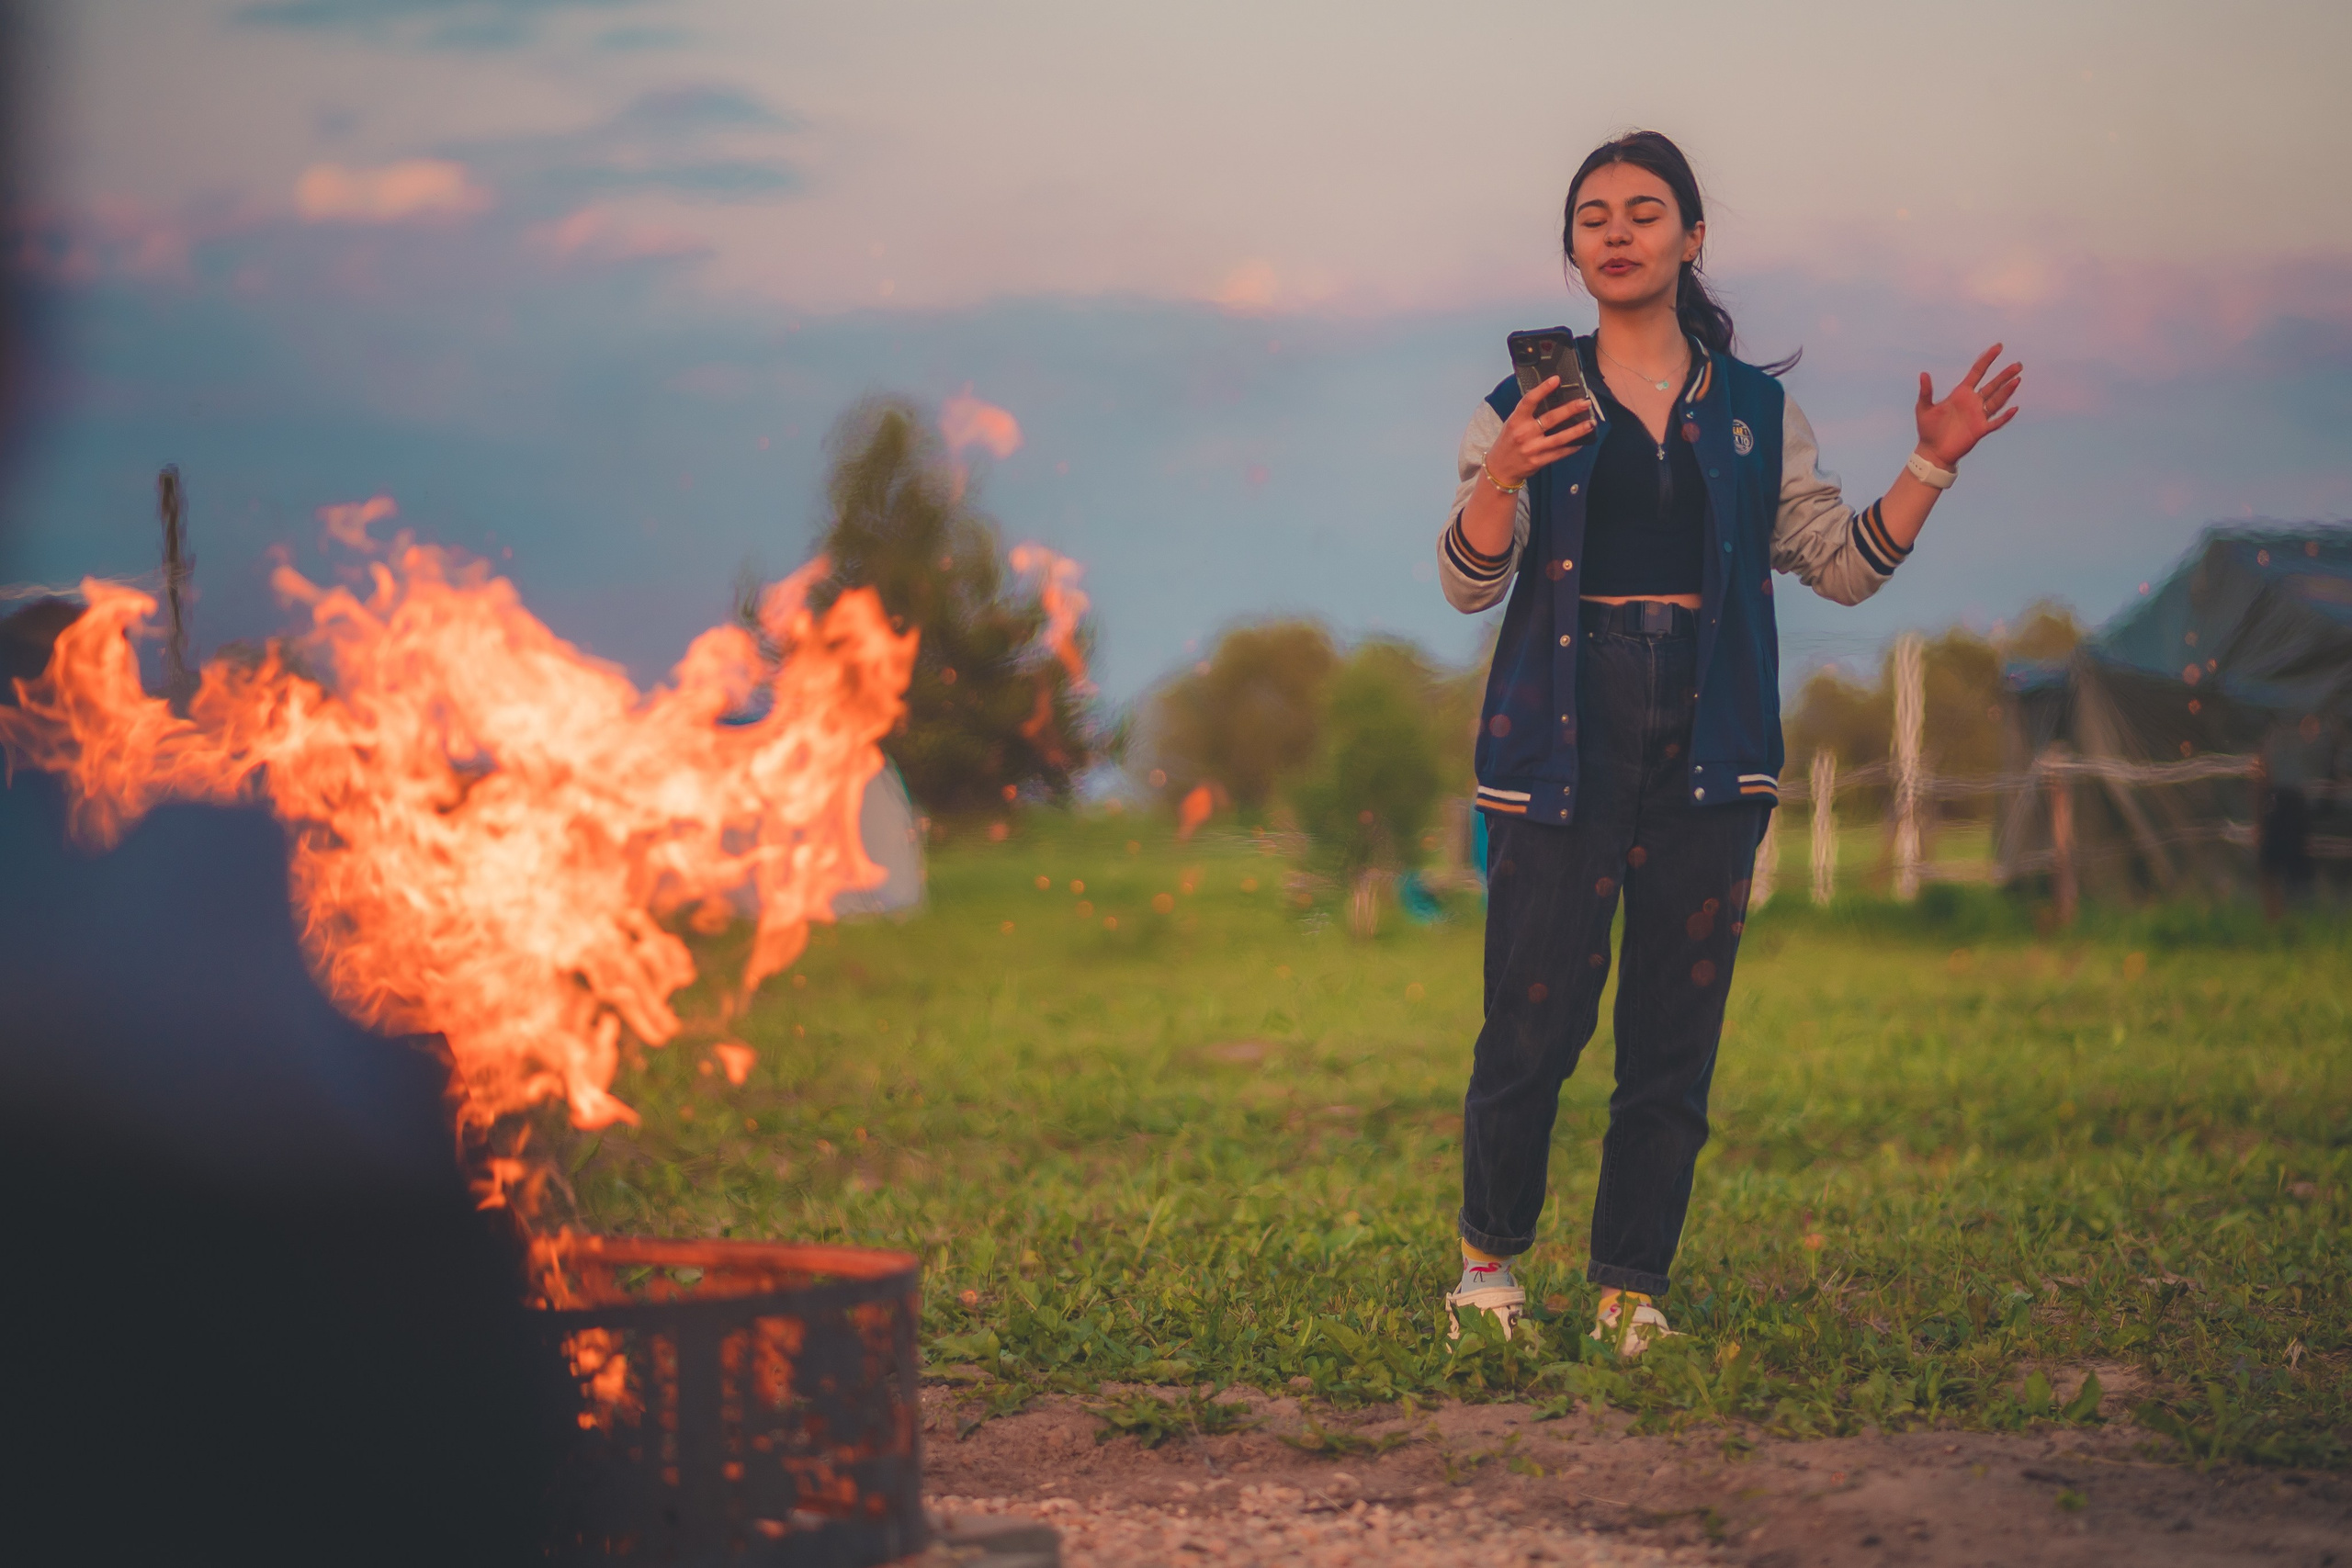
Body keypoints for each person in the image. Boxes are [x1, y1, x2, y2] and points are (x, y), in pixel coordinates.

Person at [1433, 130, 2020, 1354]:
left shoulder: (1756, 413)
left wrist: (1932, 464)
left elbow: (1843, 565)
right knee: (1532, 1015)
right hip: (1558, 729)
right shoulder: (1521, 404)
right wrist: (1505, 475)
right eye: (1593, 214)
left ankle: (1627, 1291)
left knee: (1674, 1022)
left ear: (1692, 238)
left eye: (1646, 211)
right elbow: (1465, 580)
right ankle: (1487, 1274)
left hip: (1711, 728)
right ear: (1571, 248)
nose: (1617, 230)